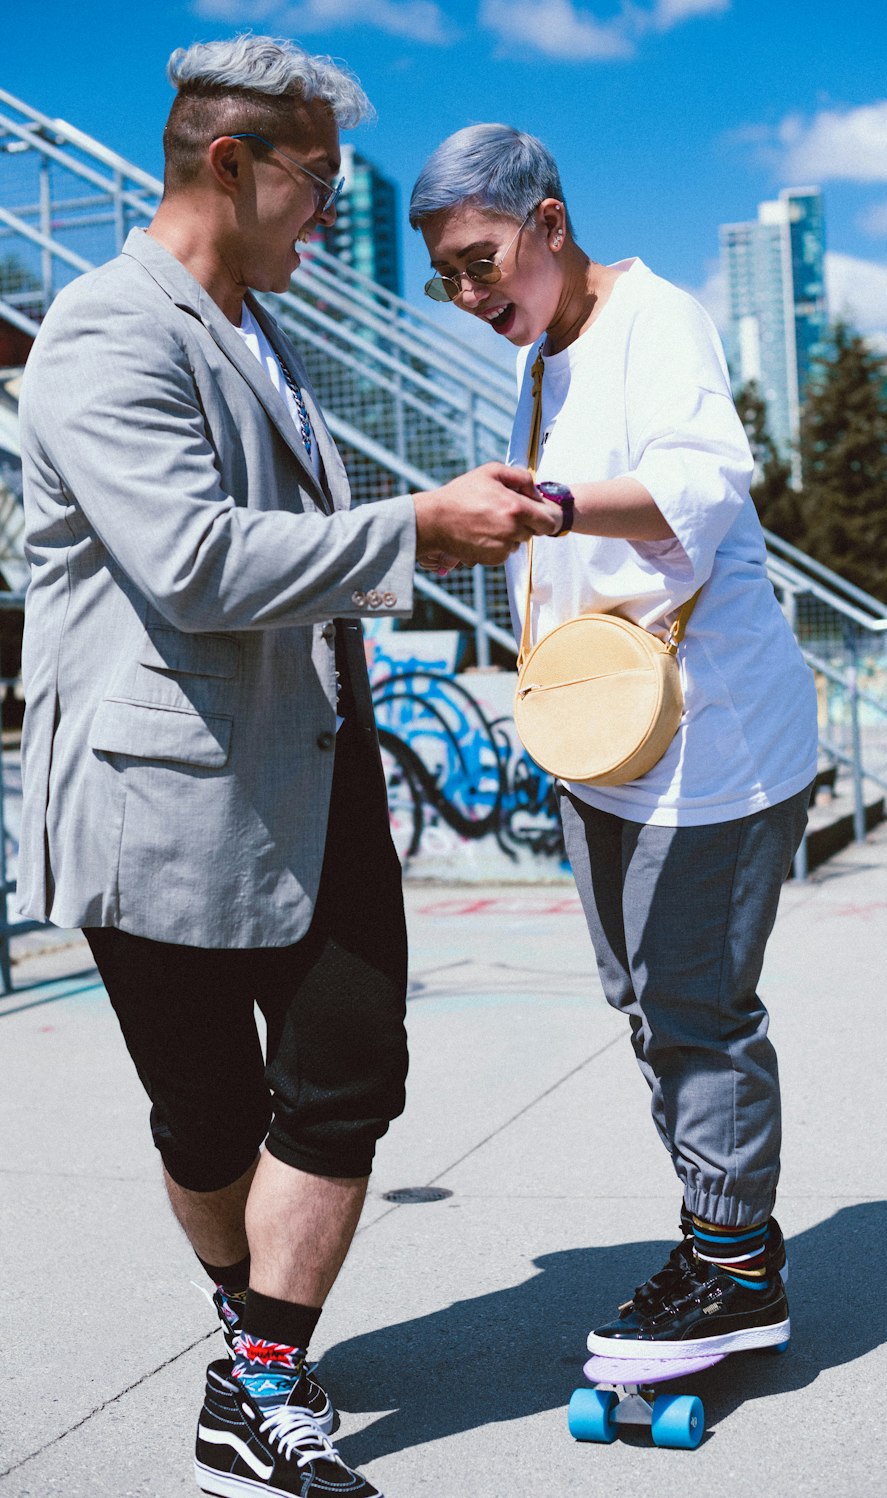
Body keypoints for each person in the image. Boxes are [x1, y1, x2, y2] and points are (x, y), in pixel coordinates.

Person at [17, 47, 562, 1498]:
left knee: (343, 1080)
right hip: (161, 787)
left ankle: (256, 1380)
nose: (329, 215)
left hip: (316, 769)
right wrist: (419, 531)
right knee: (206, 1116)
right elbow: (192, 562)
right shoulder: (104, 330)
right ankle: (253, 1325)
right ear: (229, 165)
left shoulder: (262, 327)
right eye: (318, 185)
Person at [410, 125, 818, 1363]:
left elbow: (705, 481)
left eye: (484, 262)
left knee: (695, 1002)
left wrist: (551, 503)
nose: (473, 296)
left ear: (548, 220)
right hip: (601, 735)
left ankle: (737, 1269)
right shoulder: (547, 359)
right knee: (644, 1002)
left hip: (710, 735)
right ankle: (723, 1238)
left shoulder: (655, 318)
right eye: (448, 279)